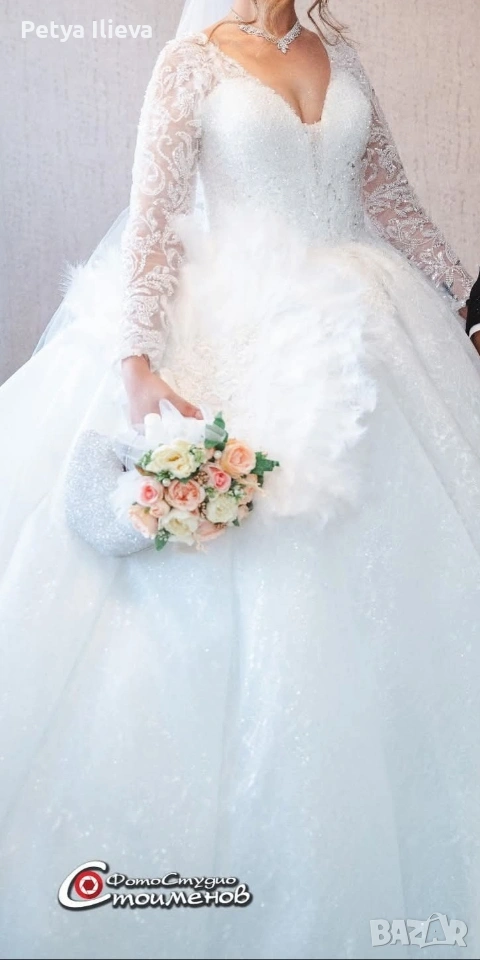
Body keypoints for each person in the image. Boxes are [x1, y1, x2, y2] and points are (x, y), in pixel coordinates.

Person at [0, 1, 479, 957]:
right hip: (240, 328)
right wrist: (136, 361)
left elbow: (389, 195)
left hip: (367, 323)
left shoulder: (338, 55)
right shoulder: (190, 63)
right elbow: (154, 217)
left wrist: (468, 299)